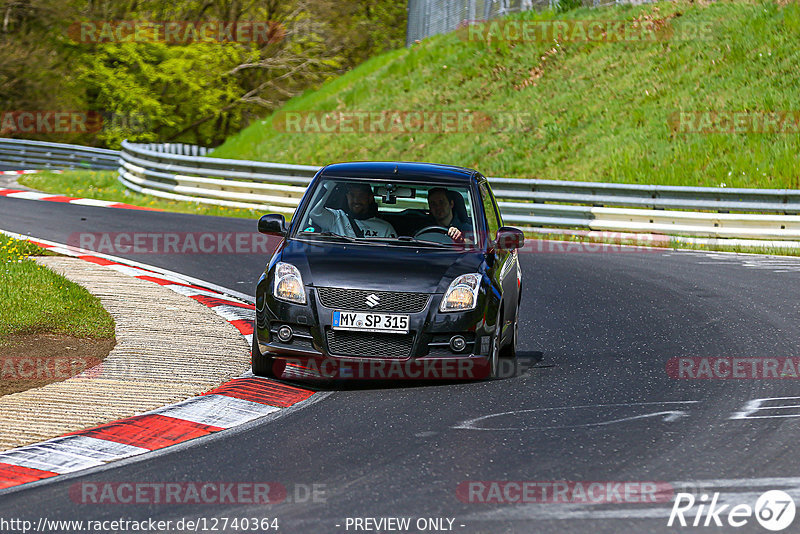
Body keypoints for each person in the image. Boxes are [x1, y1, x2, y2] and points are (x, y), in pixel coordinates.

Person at [309, 182, 397, 238]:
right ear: (347, 197)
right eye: (352, 195)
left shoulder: (385, 228)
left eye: (361, 196)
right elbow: (314, 212)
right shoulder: (335, 218)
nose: (356, 200)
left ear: (370, 198)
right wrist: (332, 182)